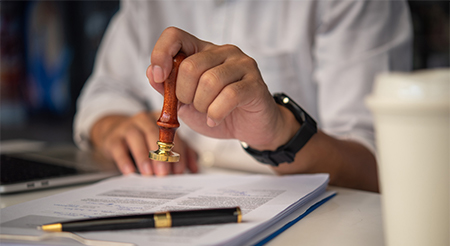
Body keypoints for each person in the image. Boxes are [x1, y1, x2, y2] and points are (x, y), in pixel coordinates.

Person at [74, 0, 412, 192]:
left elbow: (380, 167)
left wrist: (281, 135)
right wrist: (115, 126)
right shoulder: (146, 5)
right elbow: (104, 91)